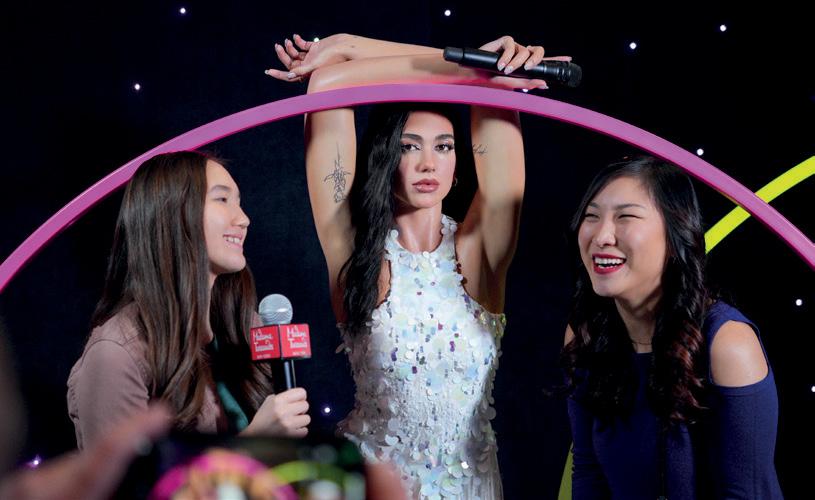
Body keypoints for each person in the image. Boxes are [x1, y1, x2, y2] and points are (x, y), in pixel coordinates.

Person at [267, 33, 568, 498]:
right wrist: (471, 65)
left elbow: (495, 83)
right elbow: (326, 83)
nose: (429, 163)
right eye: (409, 147)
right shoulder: (355, 251)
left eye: (444, 146)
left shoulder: (480, 253)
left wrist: (483, 66)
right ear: (386, 157)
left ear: (457, 161)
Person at [562, 156, 783, 499]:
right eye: (592, 216)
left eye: (625, 217)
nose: (601, 236)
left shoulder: (727, 343)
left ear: (675, 233)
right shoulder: (585, 335)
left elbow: (745, 493)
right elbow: (589, 474)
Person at [67, 151, 310, 449]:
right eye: (222, 199)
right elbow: (126, 478)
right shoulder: (116, 354)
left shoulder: (244, 325)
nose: (244, 219)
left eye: (239, 202)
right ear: (173, 213)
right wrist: (252, 445)